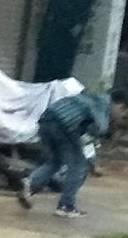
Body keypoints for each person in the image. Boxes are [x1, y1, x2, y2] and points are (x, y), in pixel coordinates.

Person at [18, 89, 113, 217]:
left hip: (46, 120)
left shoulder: (87, 97)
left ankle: (30, 183)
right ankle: (66, 206)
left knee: (55, 161)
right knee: (78, 165)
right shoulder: (102, 105)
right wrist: (93, 163)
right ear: (121, 105)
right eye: (124, 113)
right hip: (64, 125)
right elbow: (98, 130)